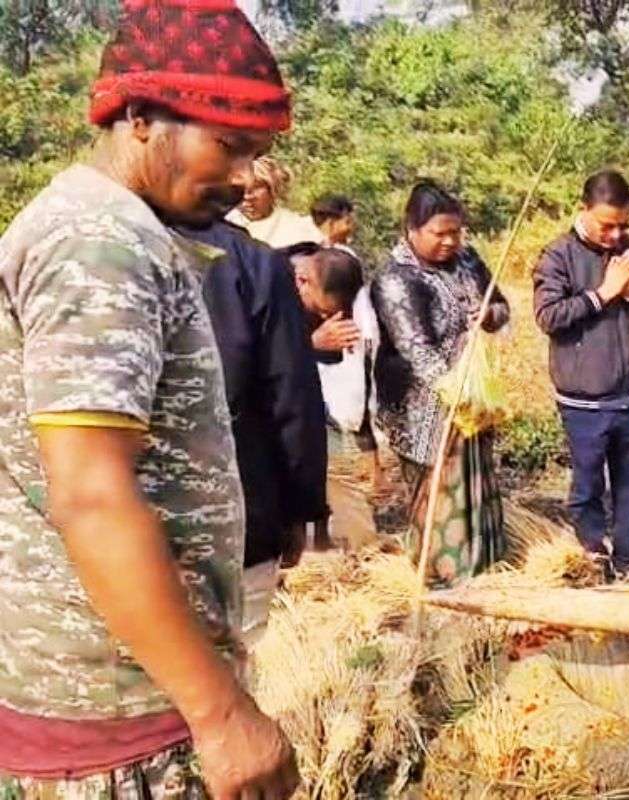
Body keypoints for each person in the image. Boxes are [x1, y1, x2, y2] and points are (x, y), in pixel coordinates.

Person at [0, 1, 299, 797]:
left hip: (139, 689)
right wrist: (220, 714)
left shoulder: (122, 230)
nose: (244, 179)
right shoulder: (99, 245)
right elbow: (92, 494)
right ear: (139, 117)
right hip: (121, 709)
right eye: (228, 146)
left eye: (258, 154)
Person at [180, 220, 330, 638]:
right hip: (242, 516)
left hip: (117, 536)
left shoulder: (80, 237)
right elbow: (292, 398)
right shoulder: (254, 263)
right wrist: (304, 509)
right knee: (236, 658)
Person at [533, 170, 629, 578]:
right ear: (583, 210)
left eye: (623, 225)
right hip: (583, 404)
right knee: (588, 488)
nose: (614, 235)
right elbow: (548, 316)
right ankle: (594, 557)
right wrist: (603, 294)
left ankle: (628, 560)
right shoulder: (557, 255)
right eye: (606, 225)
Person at [372, 181, 509, 586]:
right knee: (437, 492)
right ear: (411, 230)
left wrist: (489, 317)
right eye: (440, 234)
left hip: (471, 398)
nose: (450, 241)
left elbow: (499, 303)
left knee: (477, 485)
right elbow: (415, 348)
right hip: (423, 408)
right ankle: (441, 576)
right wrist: (455, 393)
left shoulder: (467, 260)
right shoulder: (395, 280)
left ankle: (482, 566)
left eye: (456, 232)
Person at [309, 196, 384, 549]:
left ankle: (361, 547)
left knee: (338, 479)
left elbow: (357, 366)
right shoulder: (305, 270)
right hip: (310, 411)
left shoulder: (344, 330)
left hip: (333, 411)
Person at [227, 155, 325, 248]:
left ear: (273, 190)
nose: (248, 196)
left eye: (256, 187)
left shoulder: (301, 228)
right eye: (240, 188)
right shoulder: (223, 225)